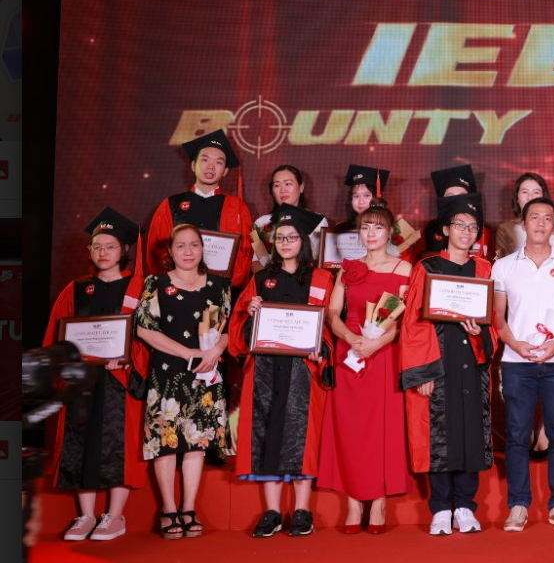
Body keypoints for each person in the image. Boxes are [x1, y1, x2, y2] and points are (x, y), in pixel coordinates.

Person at [228, 205, 335, 538]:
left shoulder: (321, 278)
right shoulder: (261, 279)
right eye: (280, 238)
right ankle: (272, 512)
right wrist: (249, 310)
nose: (286, 242)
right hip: (265, 368)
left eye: (292, 237)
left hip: (304, 369)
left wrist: (322, 349)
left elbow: (329, 324)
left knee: (303, 435)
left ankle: (302, 510)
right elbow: (239, 327)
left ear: (303, 241)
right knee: (267, 432)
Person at [44, 208, 147, 542]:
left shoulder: (138, 289)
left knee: (119, 444)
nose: (103, 252)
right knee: (80, 441)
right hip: (82, 379)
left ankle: (114, 516)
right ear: (89, 250)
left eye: (110, 246)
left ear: (124, 250)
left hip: (121, 379)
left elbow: (150, 336)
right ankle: (86, 515)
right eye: (97, 246)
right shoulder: (75, 289)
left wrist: (130, 362)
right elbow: (56, 337)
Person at [401, 194, 497, 536]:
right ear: (445, 230)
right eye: (460, 225)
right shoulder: (426, 267)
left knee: (470, 432)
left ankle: (465, 507)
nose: (467, 232)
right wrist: (423, 372)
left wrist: (480, 332)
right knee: (438, 433)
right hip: (438, 362)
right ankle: (441, 508)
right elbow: (413, 322)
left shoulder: (483, 269)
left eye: (473, 227)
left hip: (471, 362)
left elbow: (493, 320)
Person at [493, 196, 554, 532]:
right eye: (534, 217)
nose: (540, 223)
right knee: (517, 435)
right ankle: (518, 505)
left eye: (547, 218)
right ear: (523, 223)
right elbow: (497, 315)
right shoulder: (504, 266)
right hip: (515, 361)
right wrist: (514, 343)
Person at [317, 201, 414, 534]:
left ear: (390, 232)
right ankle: (353, 501)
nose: (371, 233)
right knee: (351, 428)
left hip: (384, 353)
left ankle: (379, 501)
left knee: (380, 428)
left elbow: (407, 320)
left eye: (378, 227)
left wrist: (378, 342)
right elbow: (333, 313)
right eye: (365, 227)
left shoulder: (404, 268)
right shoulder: (349, 269)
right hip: (350, 353)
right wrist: (349, 337)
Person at [135, 223, 232, 539]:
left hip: (206, 372)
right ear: (170, 251)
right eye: (181, 246)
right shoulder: (156, 284)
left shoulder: (219, 284)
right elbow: (144, 329)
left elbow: (227, 327)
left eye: (194, 245)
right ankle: (168, 510)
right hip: (167, 372)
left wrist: (215, 350)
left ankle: (188, 509)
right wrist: (187, 352)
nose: (188, 252)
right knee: (165, 442)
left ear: (203, 248)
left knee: (197, 442)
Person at [145, 130, 253, 289]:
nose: (211, 167)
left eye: (219, 162)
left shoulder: (237, 207)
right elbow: (156, 251)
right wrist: (171, 285)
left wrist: (227, 289)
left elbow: (245, 253)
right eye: (205, 160)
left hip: (220, 293)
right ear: (193, 165)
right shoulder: (170, 205)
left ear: (225, 171)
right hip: (176, 292)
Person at [251, 165, 329, 271]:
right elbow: (255, 262)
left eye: (288, 184)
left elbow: (319, 261)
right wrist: (270, 280)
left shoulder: (317, 221)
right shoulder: (260, 223)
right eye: (276, 185)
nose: (283, 190)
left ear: (301, 187)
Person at [417, 164, 494, 259]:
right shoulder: (431, 231)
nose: (456, 201)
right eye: (450, 196)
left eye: (462, 196)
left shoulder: (485, 233)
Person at [494, 172, 554, 259]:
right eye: (524, 192)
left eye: (536, 192)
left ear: (543, 197)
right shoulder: (505, 229)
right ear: (517, 198)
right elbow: (502, 263)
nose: (530, 197)